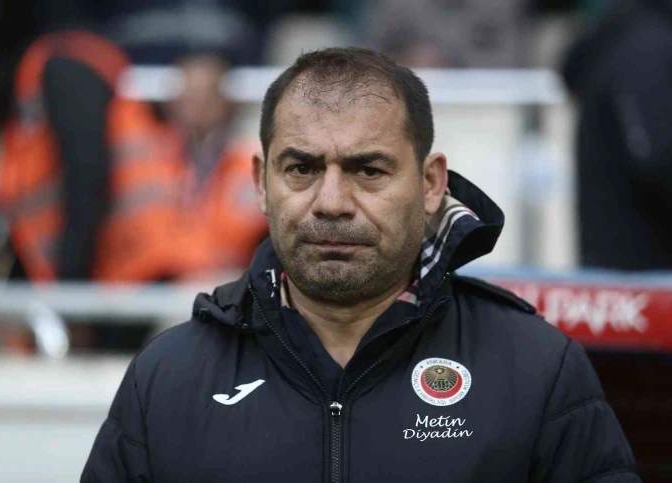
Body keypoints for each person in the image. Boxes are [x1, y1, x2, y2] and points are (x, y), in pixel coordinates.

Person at [82, 47, 639, 482]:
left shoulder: (536, 369)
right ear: (261, 182)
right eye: (301, 169)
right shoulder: (168, 379)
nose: (331, 202)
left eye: (368, 170)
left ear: (430, 184)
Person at [562, 0, 672, 270]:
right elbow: (655, 156)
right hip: (640, 270)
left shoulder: (629, 35)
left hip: (620, 269)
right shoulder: (645, 44)